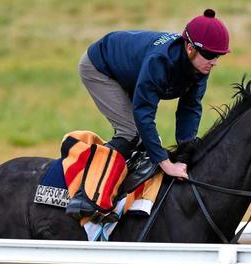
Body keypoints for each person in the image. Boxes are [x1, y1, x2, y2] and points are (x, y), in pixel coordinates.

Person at [66, 8, 230, 220]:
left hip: (130, 70)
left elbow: (190, 108)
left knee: (147, 142)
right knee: (131, 132)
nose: (214, 61)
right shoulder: (160, 62)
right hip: (100, 67)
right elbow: (144, 113)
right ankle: (86, 196)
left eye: (218, 55)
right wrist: (166, 163)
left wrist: (185, 149)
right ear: (189, 48)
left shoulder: (200, 69)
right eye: (209, 55)